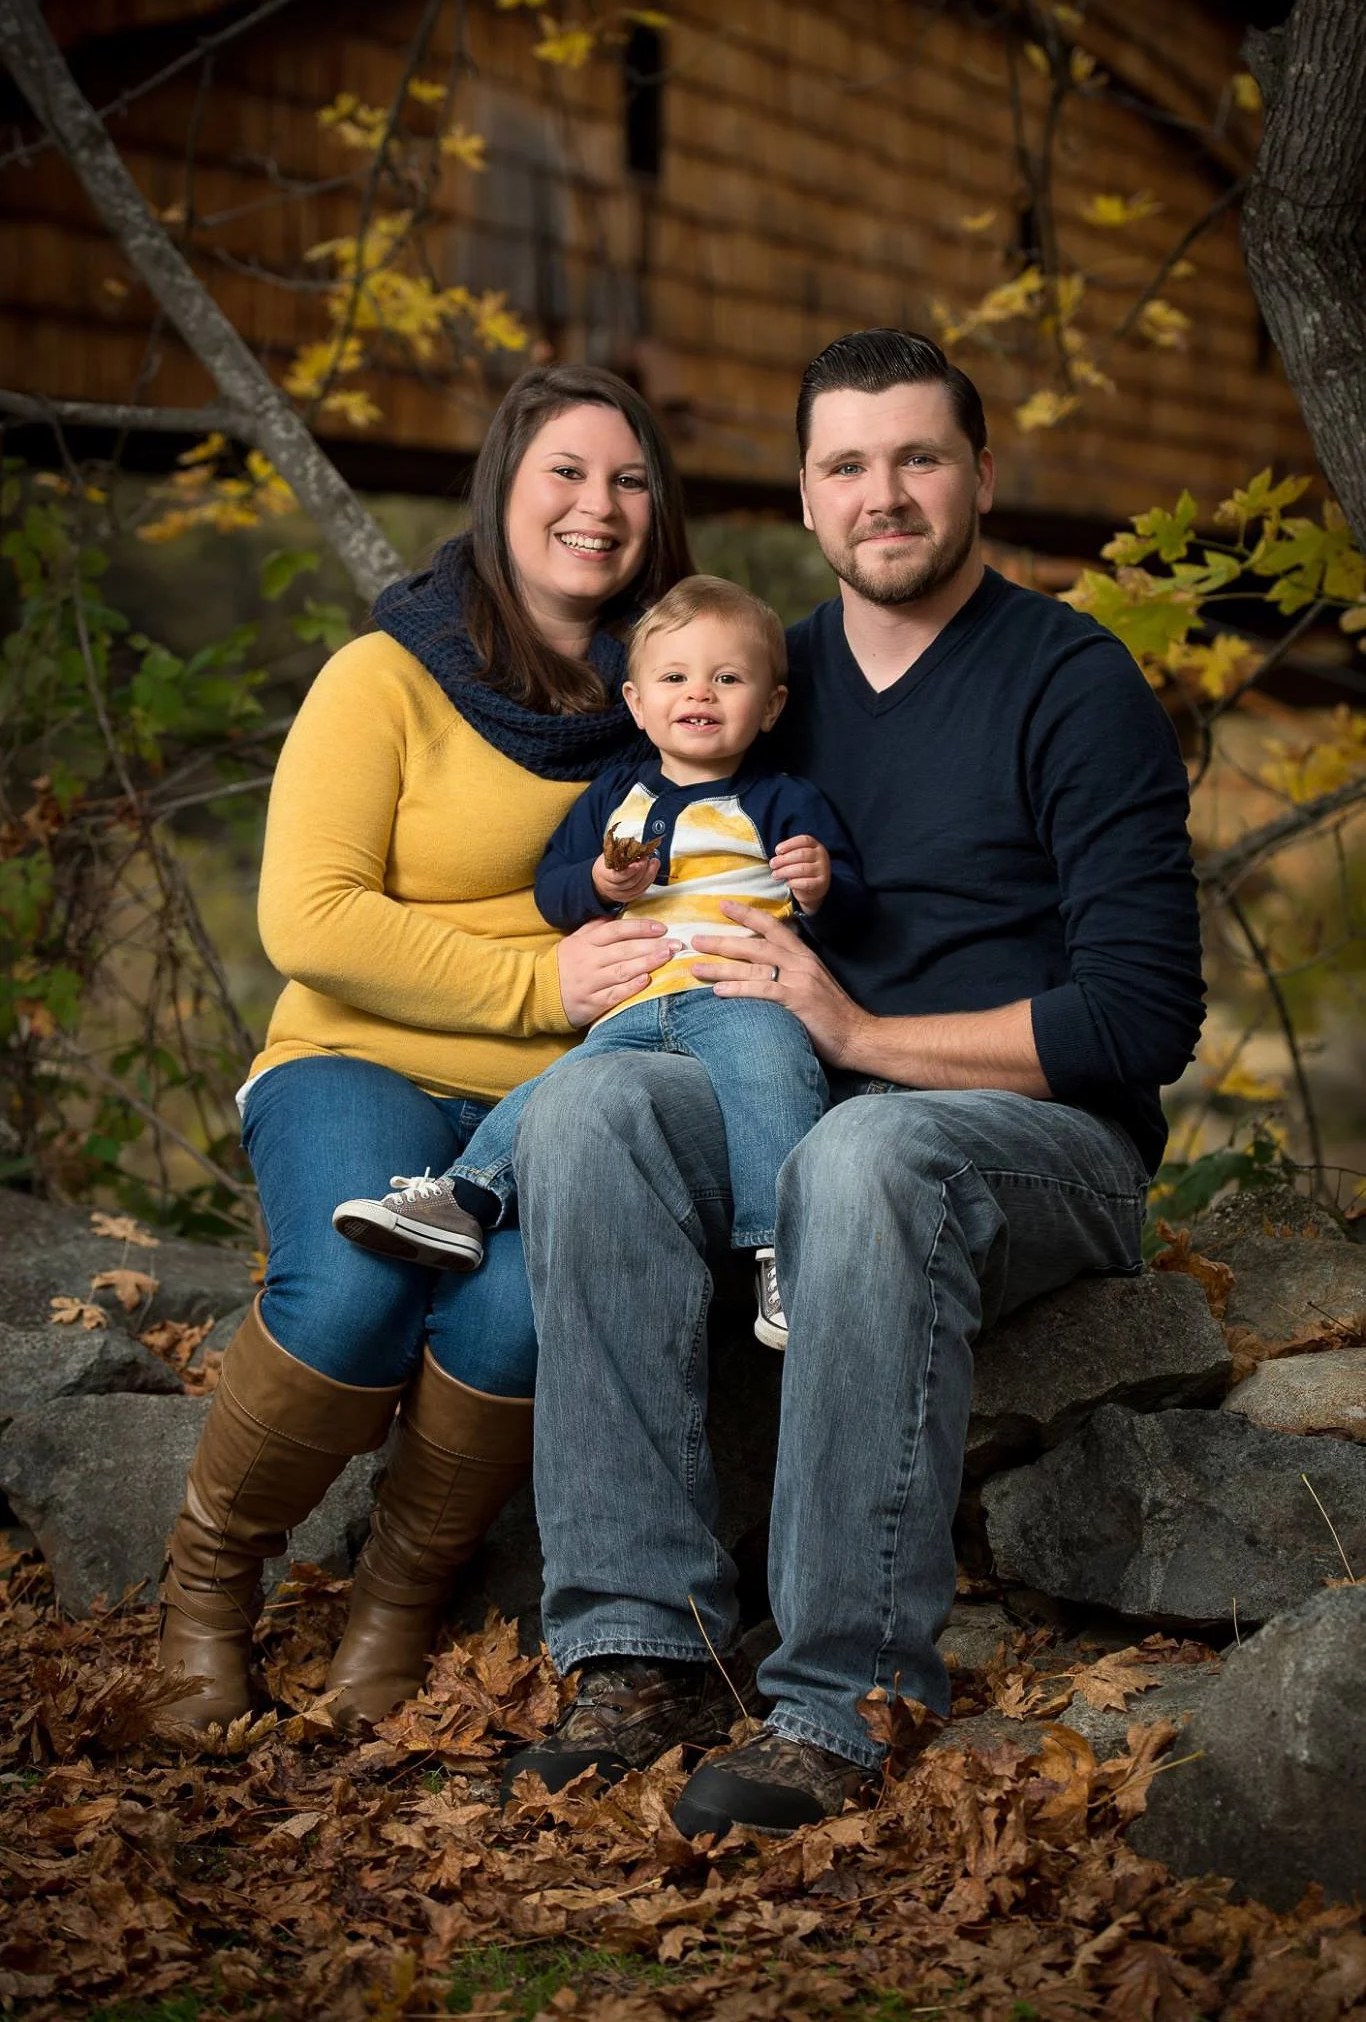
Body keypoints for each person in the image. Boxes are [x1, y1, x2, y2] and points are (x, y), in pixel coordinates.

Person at [501, 330, 1206, 1836]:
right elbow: (607, 827)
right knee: (588, 1112)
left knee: (862, 1156)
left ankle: (842, 1698)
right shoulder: (765, 678)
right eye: (844, 466)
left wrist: (863, 1036)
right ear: (807, 500)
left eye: (915, 458)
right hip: (795, 1099)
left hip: (1035, 1141)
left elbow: (1142, 1018)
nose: (880, 495)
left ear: (979, 478)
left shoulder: (1072, 685)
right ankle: (642, 1648)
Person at [155, 364, 694, 1737]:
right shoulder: (387, 674)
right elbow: (308, 920)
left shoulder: (687, 695)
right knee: (349, 1298)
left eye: (629, 479)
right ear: (503, 492)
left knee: (516, 1318)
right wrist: (541, 982)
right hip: (357, 1057)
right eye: (564, 473)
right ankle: (207, 1593)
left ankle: (394, 1609)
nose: (598, 505)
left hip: (561, 1104)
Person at [329, 574, 868, 1349]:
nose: (701, 695)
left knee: (773, 1075)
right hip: (632, 1001)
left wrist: (820, 886)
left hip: (739, 990)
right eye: (676, 678)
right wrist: (597, 882)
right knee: (557, 1091)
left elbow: (854, 912)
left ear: (772, 705)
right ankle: (463, 1200)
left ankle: (785, 1254)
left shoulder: (783, 800)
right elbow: (553, 891)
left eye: (729, 678)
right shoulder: (617, 796)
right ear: (638, 702)